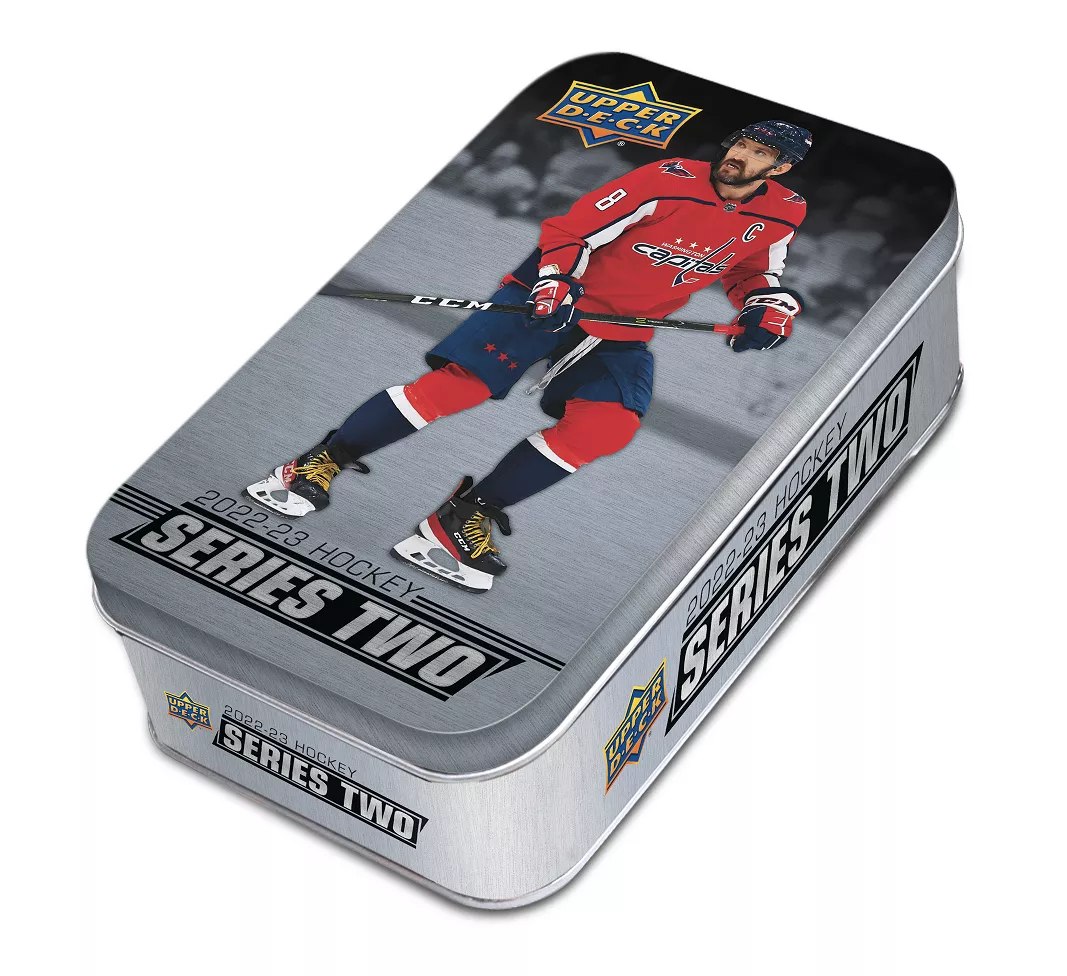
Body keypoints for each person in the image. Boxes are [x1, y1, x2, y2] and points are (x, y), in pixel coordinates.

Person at [247, 121, 813, 592]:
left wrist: (764, 306)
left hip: (622, 328)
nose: (739, 155)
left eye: (758, 153)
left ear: (780, 168)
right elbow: (573, 230)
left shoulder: (786, 211)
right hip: (549, 294)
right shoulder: (667, 181)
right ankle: (316, 463)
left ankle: (459, 520)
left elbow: (753, 270)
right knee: (458, 387)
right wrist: (556, 281)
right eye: (740, 143)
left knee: (606, 427)